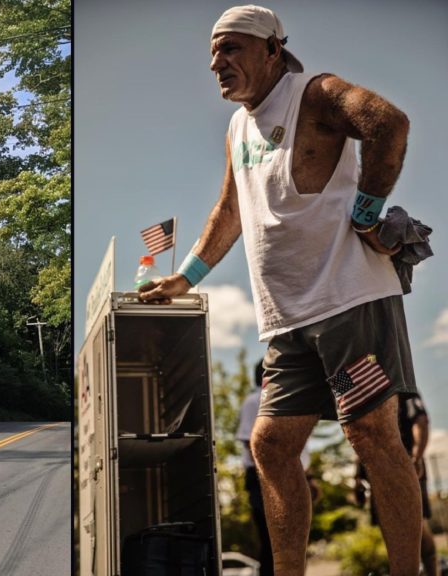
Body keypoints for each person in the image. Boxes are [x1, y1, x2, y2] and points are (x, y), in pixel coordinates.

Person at [138, 5, 421, 574]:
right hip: (287, 320)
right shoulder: (238, 127)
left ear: (272, 51)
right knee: (268, 445)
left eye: (232, 49)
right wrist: (185, 276)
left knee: (370, 434)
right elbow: (230, 209)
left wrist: (368, 212)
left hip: (349, 301)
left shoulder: (314, 94)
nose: (217, 62)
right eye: (214, 53)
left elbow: (389, 122)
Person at [237, 360, 318, 576]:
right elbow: (249, 442)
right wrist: (275, 473)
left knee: (297, 536)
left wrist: (308, 477)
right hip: (265, 478)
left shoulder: (286, 401)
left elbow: (298, 448)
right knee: (272, 540)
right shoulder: (254, 401)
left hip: (292, 474)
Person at [355, 394, 439, 576]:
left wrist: (416, 458)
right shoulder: (360, 390)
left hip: (403, 466)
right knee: (394, 530)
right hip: (376, 472)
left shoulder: (400, 388)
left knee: (416, 526)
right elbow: (359, 434)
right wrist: (358, 477)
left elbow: (421, 421)